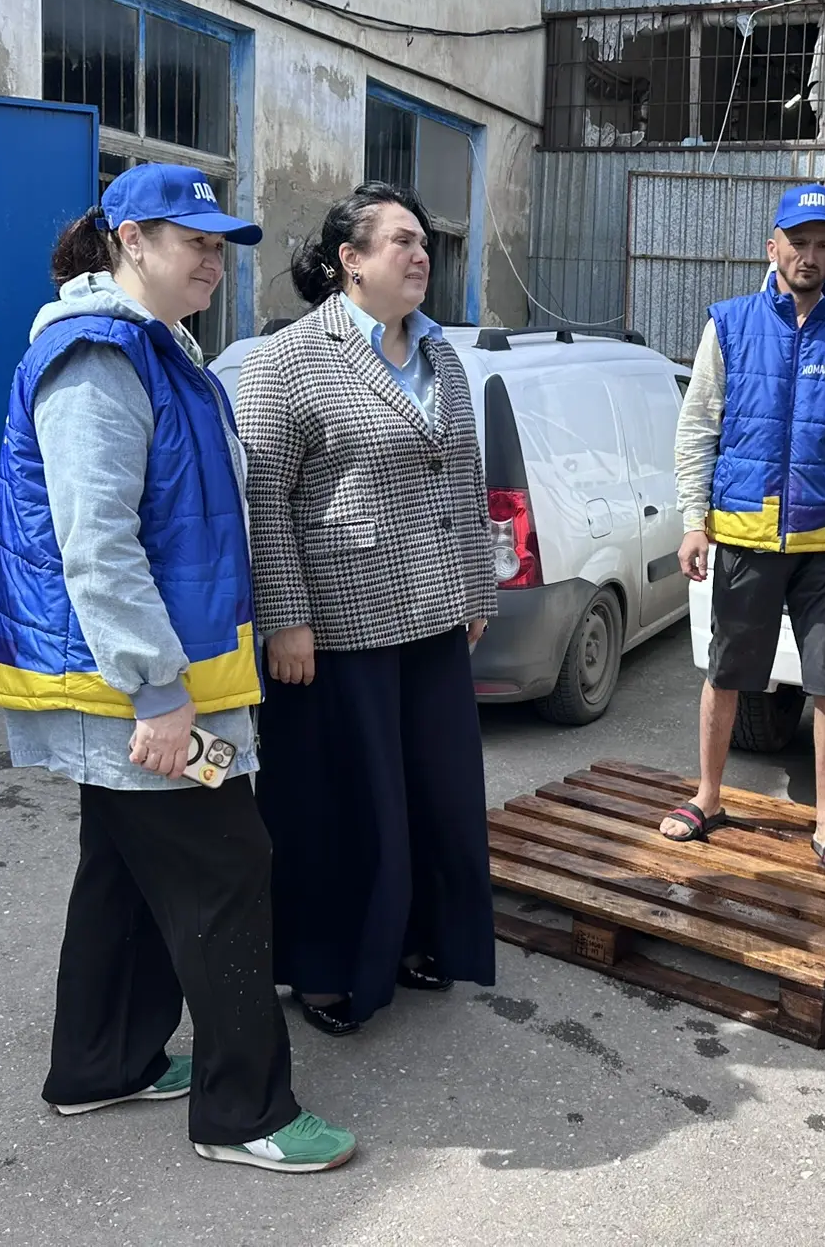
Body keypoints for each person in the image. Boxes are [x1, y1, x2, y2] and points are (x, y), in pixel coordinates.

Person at [0, 162, 355, 1174]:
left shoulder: (158, 348)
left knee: (123, 873)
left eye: (220, 245)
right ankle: (245, 1113)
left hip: (152, 685)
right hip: (133, 692)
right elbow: (97, 545)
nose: (213, 260)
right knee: (229, 871)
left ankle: (100, 1063)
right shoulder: (98, 359)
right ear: (129, 240)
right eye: (192, 241)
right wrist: (157, 696)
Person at [237, 181, 499, 1037]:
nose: (421, 254)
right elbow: (264, 499)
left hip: (434, 619)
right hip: (336, 630)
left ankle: (420, 938)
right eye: (400, 241)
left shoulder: (440, 354)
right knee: (341, 808)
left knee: (435, 797)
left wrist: (477, 590)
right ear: (349, 260)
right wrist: (285, 617)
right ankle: (325, 969)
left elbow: (465, 480)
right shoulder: (286, 359)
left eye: (424, 242)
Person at [667, 183, 825, 880]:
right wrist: (693, 521)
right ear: (772, 247)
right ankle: (708, 797)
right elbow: (698, 426)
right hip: (744, 536)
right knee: (727, 673)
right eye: (797, 242)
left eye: (823, 244)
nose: (809, 255)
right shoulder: (731, 325)